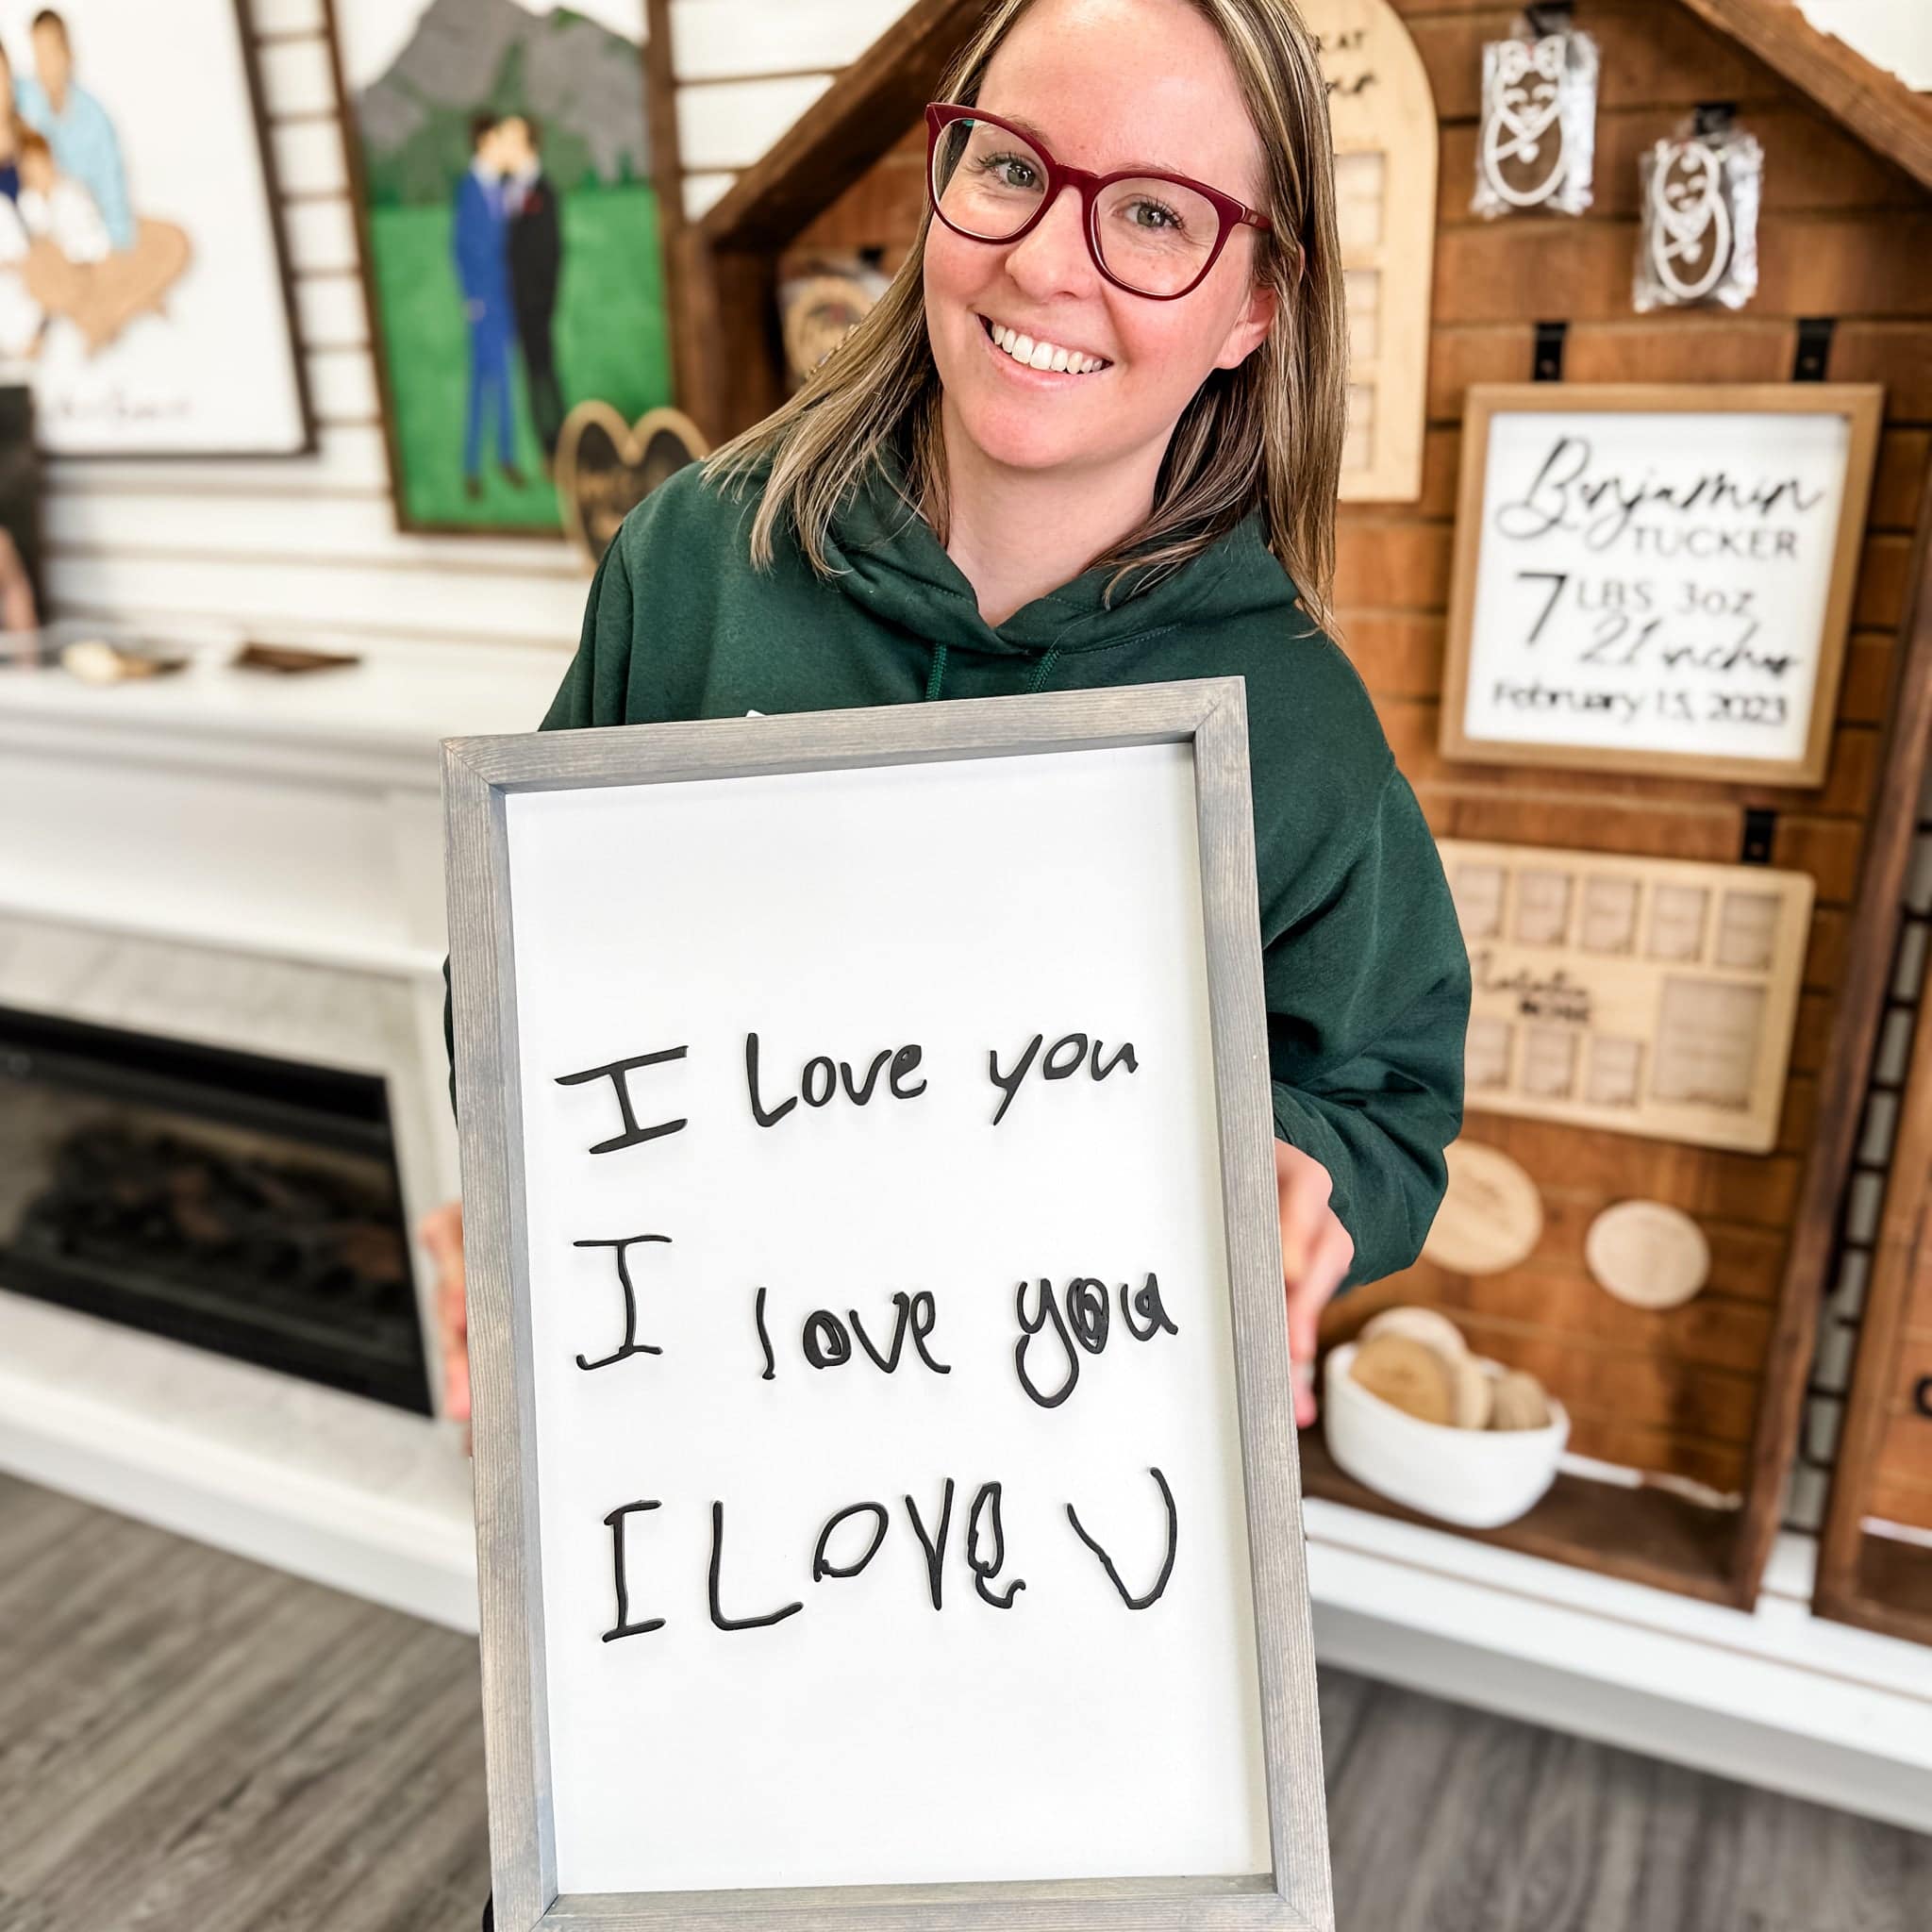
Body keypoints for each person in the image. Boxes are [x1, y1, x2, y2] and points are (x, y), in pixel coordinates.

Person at [436, 0, 1466, 1424]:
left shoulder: (1292, 722)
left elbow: (1383, 1110)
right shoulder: (694, 568)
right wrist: (526, 1177)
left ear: (1255, 308)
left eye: (1158, 215)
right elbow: (521, 964)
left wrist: (1305, 1181)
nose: (1046, 262)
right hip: (709, 1431)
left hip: (1061, 1480)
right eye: (1009, 168)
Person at [15, 9, 130, 253]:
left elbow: (112, 185)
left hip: (86, 220)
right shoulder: (23, 98)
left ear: (68, 52)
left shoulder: (94, 117)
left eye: (51, 51)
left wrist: (118, 243)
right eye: (39, 53)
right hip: (39, 228)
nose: (45, 64)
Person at [453, 113, 525, 501]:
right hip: (484, 308)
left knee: (506, 383)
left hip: (504, 302)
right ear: (484, 142)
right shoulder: (470, 190)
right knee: (482, 387)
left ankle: (506, 457)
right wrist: (473, 300)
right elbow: (462, 249)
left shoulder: (501, 188)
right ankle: (472, 467)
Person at [498, 113, 564, 467]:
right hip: (513, 303)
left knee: (543, 372)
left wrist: (541, 299)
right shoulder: (507, 191)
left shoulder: (542, 192)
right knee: (530, 373)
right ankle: (545, 443)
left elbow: (549, 251)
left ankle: (557, 443)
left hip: (534, 305)